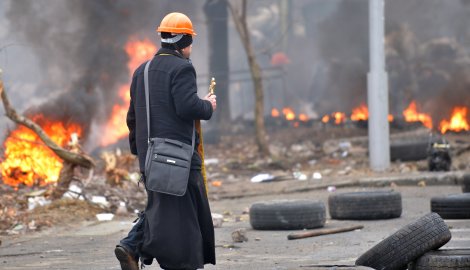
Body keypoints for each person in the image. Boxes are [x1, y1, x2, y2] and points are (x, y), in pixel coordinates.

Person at [115, 12, 217, 270]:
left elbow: (132, 117)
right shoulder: (183, 68)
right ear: (183, 40)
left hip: (150, 158)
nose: (191, 47)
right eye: (190, 41)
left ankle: (130, 246)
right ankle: (183, 263)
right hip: (178, 158)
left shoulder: (142, 70)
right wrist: (208, 106)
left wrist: (140, 154)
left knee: (161, 209)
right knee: (188, 215)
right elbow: (187, 107)